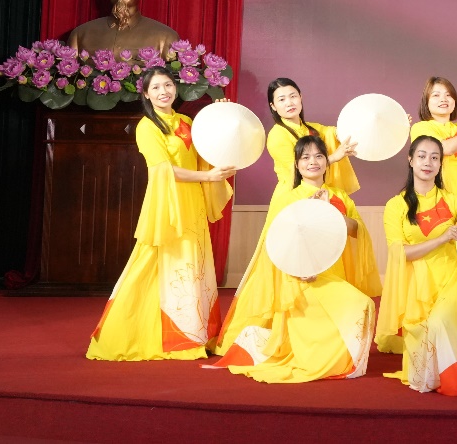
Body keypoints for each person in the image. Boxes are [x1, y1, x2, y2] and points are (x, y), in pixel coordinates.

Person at [212, 77, 380, 357]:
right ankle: (271, 328)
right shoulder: (278, 135)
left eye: (293, 96)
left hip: (316, 194)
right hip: (291, 197)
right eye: (281, 99)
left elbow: (344, 132)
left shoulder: (313, 130)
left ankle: (308, 324)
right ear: (273, 107)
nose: (289, 103)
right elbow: (298, 167)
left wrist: (373, 124)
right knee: (279, 264)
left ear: (301, 98)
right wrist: (333, 157)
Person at [87, 67, 234, 361]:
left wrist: (221, 117)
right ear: (145, 94)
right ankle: (140, 334)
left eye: (168, 85)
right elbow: (163, 171)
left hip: (191, 202)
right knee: (158, 266)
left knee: (193, 266)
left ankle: (197, 333)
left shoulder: (186, 121)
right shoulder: (147, 127)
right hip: (168, 204)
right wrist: (208, 178)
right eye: (156, 88)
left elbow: (211, 150)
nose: (163, 92)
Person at [216, 135, 376, 382]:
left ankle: (332, 359)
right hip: (301, 278)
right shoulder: (289, 198)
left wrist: (330, 212)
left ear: (327, 162)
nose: (313, 162)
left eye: (319, 156)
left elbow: (357, 230)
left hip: (334, 273)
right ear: (297, 165)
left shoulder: (340, 197)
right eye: (306, 157)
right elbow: (278, 242)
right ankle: (316, 358)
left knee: (360, 306)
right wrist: (299, 269)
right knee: (359, 304)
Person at [377, 135, 457, 395]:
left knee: (438, 324)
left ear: (440, 165)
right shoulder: (396, 206)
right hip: (416, 287)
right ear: (411, 160)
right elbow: (401, 253)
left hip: (451, 280)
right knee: (421, 380)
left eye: (435, 158)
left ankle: (454, 379)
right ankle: (437, 375)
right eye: (422, 156)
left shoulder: (454, 202)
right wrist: (443, 237)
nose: (428, 162)